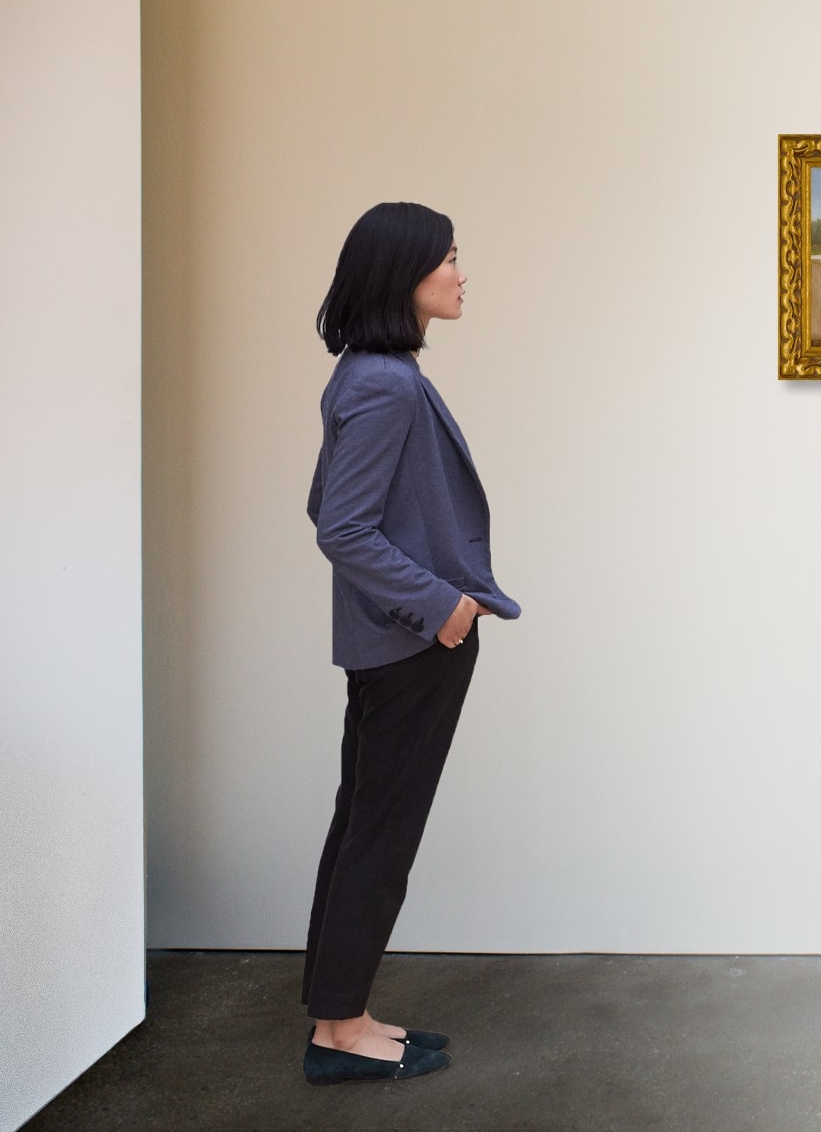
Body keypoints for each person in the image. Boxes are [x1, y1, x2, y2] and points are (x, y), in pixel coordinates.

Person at [299, 201, 520, 1086]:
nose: (463, 273)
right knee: (380, 836)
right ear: (406, 275)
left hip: (389, 643)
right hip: (410, 645)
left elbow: (325, 507)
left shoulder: (367, 371)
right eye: (451, 258)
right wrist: (442, 607)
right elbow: (343, 527)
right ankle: (339, 1033)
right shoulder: (385, 383)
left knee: (363, 826)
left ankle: (340, 1015)